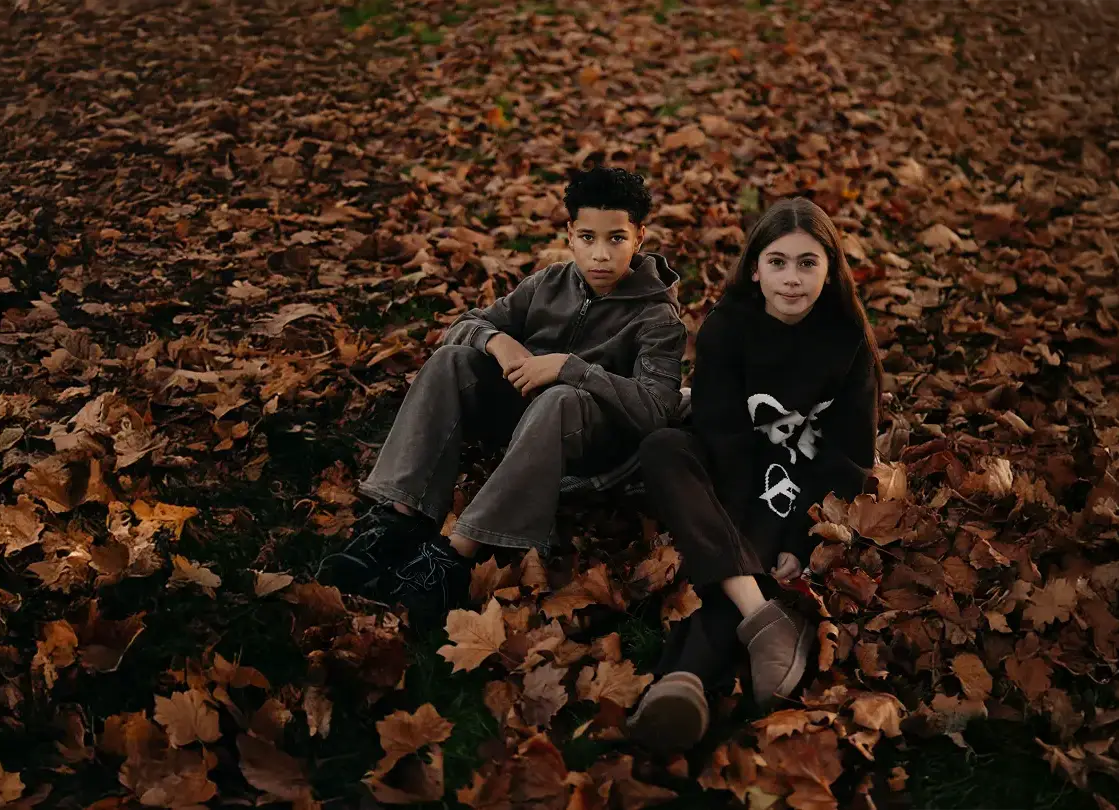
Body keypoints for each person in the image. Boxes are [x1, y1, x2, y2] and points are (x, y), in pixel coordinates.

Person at [316, 166, 688, 622]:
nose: (600, 254)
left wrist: (572, 369)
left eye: (616, 239)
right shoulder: (548, 283)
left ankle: (455, 557)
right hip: (522, 423)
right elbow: (463, 325)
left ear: (639, 237)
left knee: (559, 398)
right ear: (570, 234)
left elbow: (656, 408)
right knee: (451, 360)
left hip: (593, 443)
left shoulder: (657, 317)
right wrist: (497, 341)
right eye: (587, 237)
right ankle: (400, 518)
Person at [626, 197, 882, 752]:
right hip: (728, 471)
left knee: (756, 523)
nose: (792, 278)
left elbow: (850, 457)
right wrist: (743, 528)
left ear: (831, 270)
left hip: (801, 481)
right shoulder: (728, 327)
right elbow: (720, 434)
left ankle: (682, 680)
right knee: (664, 447)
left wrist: (796, 536)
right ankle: (764, 615)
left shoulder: (849, 339)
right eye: (778, 262)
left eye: (808, 263)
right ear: (755, 269)